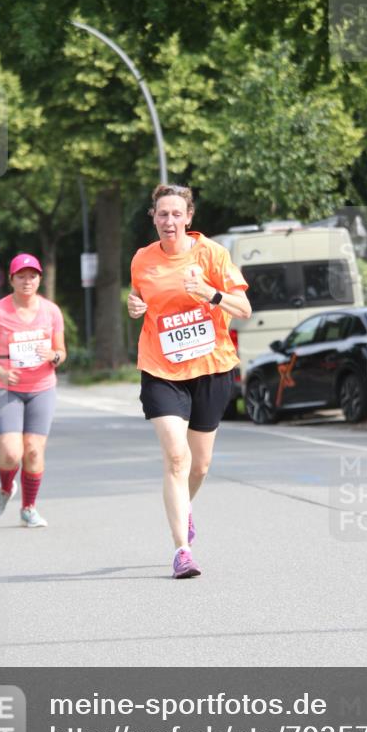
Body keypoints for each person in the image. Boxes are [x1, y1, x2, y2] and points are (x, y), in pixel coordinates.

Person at [128, 184, 251, 579]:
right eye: (162, 214)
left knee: (199, 466)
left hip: (211, 367)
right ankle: (182, 550)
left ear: (189, 217)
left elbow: (244, 309)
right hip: (162, 369)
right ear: (154, 217)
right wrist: (135, 307)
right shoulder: (142, 259)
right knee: (177, 458)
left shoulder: (213, 254)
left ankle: (185, 506)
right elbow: (141, 301)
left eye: (176, 214)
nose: (169, 221)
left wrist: (209, 294)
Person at [0, 253, 66, 528]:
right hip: (6, 388)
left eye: (33, 276)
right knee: (12, 454)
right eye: (21, 276)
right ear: (11, 279)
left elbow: (62, 352)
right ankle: (5, 489)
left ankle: (28, 508)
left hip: (42, 388)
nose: (27, 281)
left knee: (34, 452)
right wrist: (1, 371)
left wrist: (53, 355)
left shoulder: (51, 311)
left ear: (39, 279)